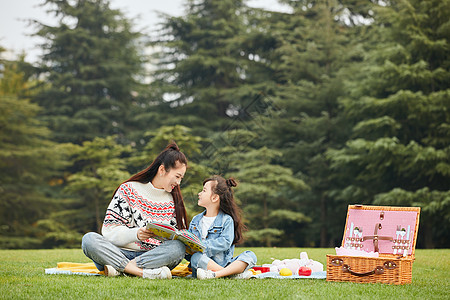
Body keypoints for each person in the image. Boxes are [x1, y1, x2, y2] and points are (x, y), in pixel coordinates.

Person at [81, 142, 188, 279]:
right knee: (89, 239)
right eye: (177, 176)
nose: (178, 183)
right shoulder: (129, 190)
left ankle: (121, 268)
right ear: (162, 170)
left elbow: (175, 239)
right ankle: (140, 272)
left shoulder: (174, 200)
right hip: (120, 252)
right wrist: (136, 234)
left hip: (153, 257)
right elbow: (108, 231)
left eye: (181, 178)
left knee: (178, 247)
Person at [187, 175, 257, 279]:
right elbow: (190, 246)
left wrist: (201, 246)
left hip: (225, 263)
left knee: (250, 255)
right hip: (203, 264)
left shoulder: (226, 220)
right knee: (196, 257)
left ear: (215, 197)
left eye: (204, 190)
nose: (199, 193)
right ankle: (229, 275)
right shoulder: (195, 220)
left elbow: (225, 242)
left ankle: (218, 274)